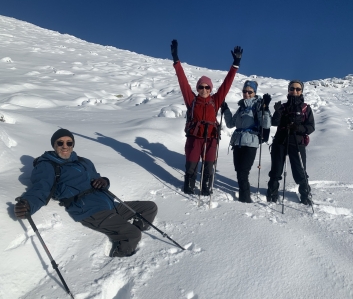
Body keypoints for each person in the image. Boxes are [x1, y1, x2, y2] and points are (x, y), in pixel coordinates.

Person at [14, 128, 157, 257]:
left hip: (109, 204)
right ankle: (121, 257)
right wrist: (28, 204)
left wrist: (104, 182)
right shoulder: (47, 165)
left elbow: (97, 179)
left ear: (73, 145)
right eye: (60, 143)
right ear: (54, 145)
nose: (65, 146)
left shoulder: (83, 161)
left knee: (150, 207)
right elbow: (41, 188)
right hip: (89, 210)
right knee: (132, 234)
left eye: (69, 143)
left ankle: (130, 230)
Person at [170, 39, 243, 195]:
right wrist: (176, 60)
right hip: (194, 137)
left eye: (207, 87)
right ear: (198, 88)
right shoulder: (192, 100)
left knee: (209, 165)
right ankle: (188, 186)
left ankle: (206, 187)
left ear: (211, 88)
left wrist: (235, 64)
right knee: (191, 165)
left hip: (211, 137)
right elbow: (182, 81)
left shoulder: (215, 100)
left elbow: (226, 84)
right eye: (201, 87)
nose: (204, 89)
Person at [220, 80, 272, 203]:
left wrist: (265, 109)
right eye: (244, 91)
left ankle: (245, 198)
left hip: (251, 142)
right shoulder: (241, 107)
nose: (247, 94)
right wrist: (226, 109)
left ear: (255, 93)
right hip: (237, 142)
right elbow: (230, 124)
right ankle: (244, 195)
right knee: (239, 170)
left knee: (243, 171)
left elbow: (266, 124)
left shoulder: (258, 105)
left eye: (250, 92)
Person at [266, 80, 315, 204]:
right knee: (276, 170)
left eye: (298, 89)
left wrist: (298, 128)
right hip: (280, 141)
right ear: (288, 90)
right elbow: (274, 123)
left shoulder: (305, 108)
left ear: (301, 91)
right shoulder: (282, 107)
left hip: (297, 143)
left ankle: (305, 195)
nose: (295, 91)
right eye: (292, 88)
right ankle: (272, 193)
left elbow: (311, 127)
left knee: (300, 171)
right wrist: (277, 112)